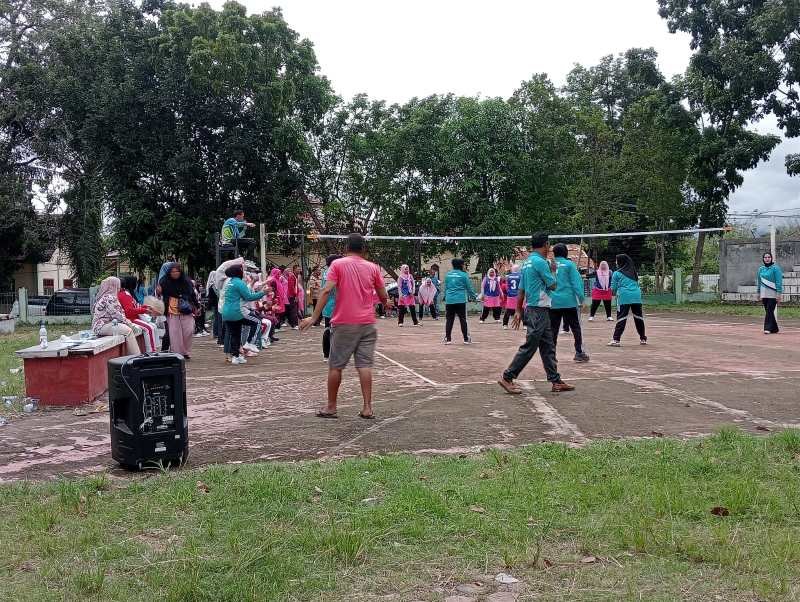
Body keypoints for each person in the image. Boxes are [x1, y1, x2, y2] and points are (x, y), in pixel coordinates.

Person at [301, 234, 390, 420]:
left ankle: (331, 407)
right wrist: (386, 303)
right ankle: (367, 408)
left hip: (343, 323)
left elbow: (326, 290)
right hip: (367, 322)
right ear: (364, 249)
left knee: (336, 366)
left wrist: (314, 317)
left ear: (346, 247)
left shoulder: (338, 265)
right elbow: (382, 293)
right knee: (364, 366)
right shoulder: (373, 267)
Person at [498, 233, 575, 394]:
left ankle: (555, 380)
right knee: (530, 345)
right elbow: (553, 285)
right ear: (546, 244)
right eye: (549, 245)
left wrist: (519, 310)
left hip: (537, 309)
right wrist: (553, 271)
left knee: (548, 346)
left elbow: (521, 289)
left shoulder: (527, 263)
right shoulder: (540, 263)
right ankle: (507, 376)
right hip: (538, 309)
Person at [549, 243, 589, 362]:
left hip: (553, 302)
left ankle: (551, 355)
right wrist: (582, 299)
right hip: (568, 301)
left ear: (554, 253)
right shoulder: (569, 265)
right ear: (566, 253)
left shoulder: (549, 265)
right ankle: (579, 353)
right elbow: (576, 284)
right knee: (576, 328)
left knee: (553, 329)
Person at [221, 264, 265, 364]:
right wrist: (263, 293)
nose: (244, 272)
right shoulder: (239, 283)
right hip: (236, 312)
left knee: (235, 334)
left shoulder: (229, 282)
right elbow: (249, 297)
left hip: (226, 312)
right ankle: (250, 343)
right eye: (242, 270)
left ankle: (235, 356)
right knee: (257, 322)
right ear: (238, 272)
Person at [159, 262, 198, 360]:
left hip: (186, 307)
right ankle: (178, 352)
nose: (175, 273)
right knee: (175, 332)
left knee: (189, 330)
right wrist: (159, 292)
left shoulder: (186, 281)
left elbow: (192, 294)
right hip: (171, 308)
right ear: (169, 273)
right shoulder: (164, 281)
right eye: (173, 272)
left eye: (177, 271)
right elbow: (159, 294)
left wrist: (196, 306)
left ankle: (185, 350)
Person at [91, 277, 141, 355]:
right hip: (102, 326)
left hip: (102, 325)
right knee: (128, 331)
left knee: (128, 328)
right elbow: (117, 315)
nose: (119, 288)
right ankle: (135, 357)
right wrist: (128, 323)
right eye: (117, 285)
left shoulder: (106, 296)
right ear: (113, 286)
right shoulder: (110, 298)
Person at [608, 254, 647, 347]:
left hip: (624, 297)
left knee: (621, 318)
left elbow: (613, 289)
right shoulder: (633, 272)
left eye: (617, 260)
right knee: (638, 317)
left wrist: (612, 292)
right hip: (636, 296)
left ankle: (616, 339)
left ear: (621, 262)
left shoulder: (616, 273)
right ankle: (643, 338)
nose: (615, 262)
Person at [442, 258, 478, 344]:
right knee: (463, 319)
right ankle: (466, 339)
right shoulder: (464, 275)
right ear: (461, 265)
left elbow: (446, 288)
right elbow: (469, 288)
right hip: (460, 300)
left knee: (449, 319)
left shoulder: (448, 275)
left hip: (449, 300)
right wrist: (474, 297)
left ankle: (448, 339)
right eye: (463, 264)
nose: (464, 266)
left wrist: (446, 297)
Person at [118, 276, 158, 352]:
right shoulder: (124, 294)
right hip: (130, 319)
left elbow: (135, 306)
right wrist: (144, 310)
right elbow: (129, 311)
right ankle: (151, 352)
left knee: (152, 326)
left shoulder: (126, 293)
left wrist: (145, 308)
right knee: (149, 328)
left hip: (132, 317)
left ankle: (154, 349)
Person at [319, 254, 341, 361]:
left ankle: (326, 354)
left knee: (328, 329)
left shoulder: (325, 273)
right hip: (335, 305)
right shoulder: (334, 272)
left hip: (327, 305)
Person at [758, 251, 783, 334]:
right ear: (763, 259)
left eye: (769, 257)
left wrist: (778, 294)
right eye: (765, 257)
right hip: (764, 293)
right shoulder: (761, 269)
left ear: (771, 258)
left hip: (773, 294)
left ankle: (767, 328)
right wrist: (759, 293)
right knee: (769, 311)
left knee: (769, 310)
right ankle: (775, 328)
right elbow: (759, 281)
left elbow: (779, 281)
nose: (767, 259)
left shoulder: (776, 268)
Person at [502, 264, 521, 329]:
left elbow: (507, 286)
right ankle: (525, 324)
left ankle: (505, 324)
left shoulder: (508, 276)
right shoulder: (521, 276)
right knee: (522, 309)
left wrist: (509, 292)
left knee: (508, 310)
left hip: (510, 295)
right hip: (518, 295)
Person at [284, 265, 301, 329]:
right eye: (298, 269)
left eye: (300, 269)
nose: (299, 270)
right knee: (293, 310)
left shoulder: (295, 276)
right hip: (292, 296)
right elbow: (292, 287)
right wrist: (295, 295)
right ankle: (294, 324)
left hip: (294, 295)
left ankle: (294, 323)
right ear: (294, 270)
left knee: (295, 310)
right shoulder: (292, 277)